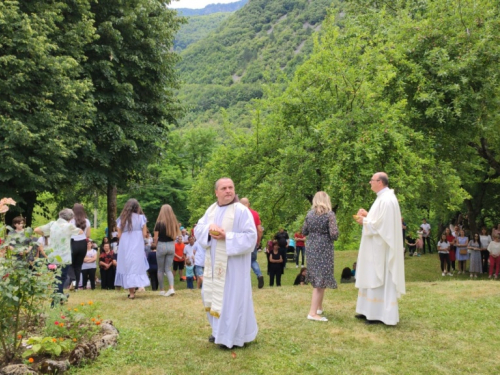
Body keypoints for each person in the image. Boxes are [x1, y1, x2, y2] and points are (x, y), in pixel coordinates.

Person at [194, 177, 257, 349]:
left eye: (231, 187)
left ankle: (234, 337)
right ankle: (218, 333)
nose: (228, 190)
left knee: (232, 299)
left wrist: (226, 237)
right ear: (216, 192)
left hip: (235, 267)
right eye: (224, 188)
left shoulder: (241, 211)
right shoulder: (211, 210)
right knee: (215, 298)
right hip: (215, 266)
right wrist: (209, 229)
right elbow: (198, 228)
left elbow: (251, 237)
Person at [354, 172, 405, 326]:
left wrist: (365, 221)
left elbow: (384, 227)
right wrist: (367, 216)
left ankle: (378, 314)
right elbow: (380, 221)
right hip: (374, 247)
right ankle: (367, 310)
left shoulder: (388, 200)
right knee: (370, 275)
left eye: (372, 180)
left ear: (380, 182)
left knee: (378, 277)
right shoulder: (382, 198)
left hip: (381, 249)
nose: (370, 182)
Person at [302, 191, 339, 322]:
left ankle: (318, 307)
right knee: (320, 280)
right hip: (324, 248)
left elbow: (304, 231)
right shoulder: (330, 215)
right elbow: (334, 234)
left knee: (318, 277)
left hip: (311, 247)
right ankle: (312, 313)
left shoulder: (309, 214)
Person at [34, 209, 83, 304]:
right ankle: (55, 301)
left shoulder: (52, 224)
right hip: (64, 257)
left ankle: (61, 297)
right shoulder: (69, 226)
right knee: (61, 279)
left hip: (52, 256)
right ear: (70, 218)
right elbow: (80, 232)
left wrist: (47, 234)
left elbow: (36, 230)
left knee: (54, 279)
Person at [114, 199, 151, 299]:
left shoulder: (121, 219)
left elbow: (119, 235)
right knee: (136, 265)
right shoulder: (141, 218)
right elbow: (144, 234)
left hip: (125, 245)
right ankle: (135, 288)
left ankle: (131, 292)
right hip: (137, 245)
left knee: (128, 266)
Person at [153, 204, 180, 297]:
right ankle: (171, 288)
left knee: (160, 269)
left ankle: (161, 290)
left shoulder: (159, 223)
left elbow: (155, 238)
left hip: (161, 245)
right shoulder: (174, 223)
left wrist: (155, 246)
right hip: (171, 246)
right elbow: (174, 237)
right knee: (168, 269)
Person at [240, 197, 265, 289]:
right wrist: (258, 240)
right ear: (248, 204)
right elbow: (259, 229)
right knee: (252, 260)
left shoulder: (238, 214)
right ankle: (259, 275)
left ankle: (244, 283)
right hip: (252, 241)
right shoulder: (254, 213)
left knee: (242, 261)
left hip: (241, 241)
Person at [69, 204, 91, 293]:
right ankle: (76, 287)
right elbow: (88, 235)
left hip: (73, 242)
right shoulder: (87, 221)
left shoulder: (70, 221)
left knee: (70, 263)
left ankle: (73, 280)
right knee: (78, 266)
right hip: (83, 244)